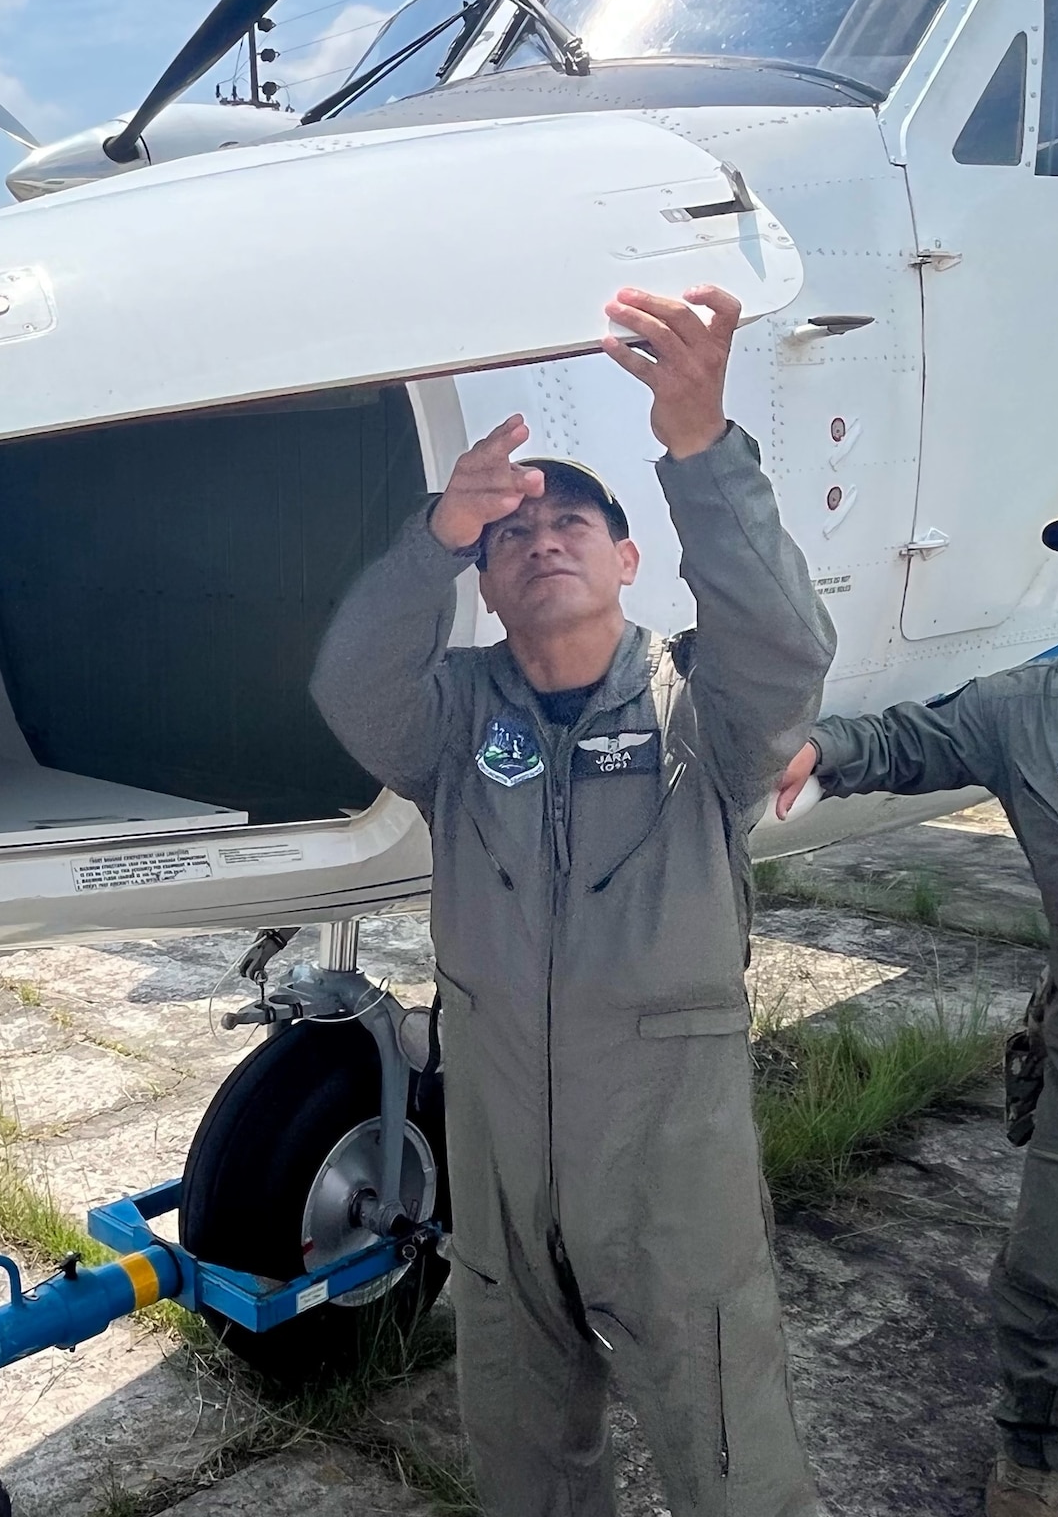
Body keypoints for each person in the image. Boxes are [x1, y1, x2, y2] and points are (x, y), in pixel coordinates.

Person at [312, 286, 835, 1516]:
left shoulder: (703, 713)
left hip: (666, 1171)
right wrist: (434, 534)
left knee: (732, 1463)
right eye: (510, 537)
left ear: (626, 558)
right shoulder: (453, 717)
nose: (540, 538)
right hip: (499, 1168)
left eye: (574, 523)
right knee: (524, 1463)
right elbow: (349, 683)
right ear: (483, 586)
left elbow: (786, 646)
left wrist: (699, 448)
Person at [775, 497, 1058, 1517]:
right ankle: (1032, 1453)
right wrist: (816, 751)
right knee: (1053, 1278)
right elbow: (906, 739)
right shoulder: (1035, 706)